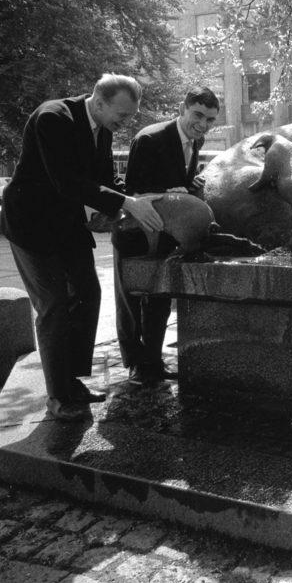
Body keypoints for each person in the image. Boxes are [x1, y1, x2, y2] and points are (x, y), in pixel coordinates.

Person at [1, 74, 163, 421]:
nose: (125, 123)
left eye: (130, 116)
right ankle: (58, 396)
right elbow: (67, 182)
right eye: (122, 114)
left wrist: (138, 197)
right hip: (30, 225)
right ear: (99, 102)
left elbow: (104, 179)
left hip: (66, 224)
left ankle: (71, 380)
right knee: (54, 306)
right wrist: (126, 203)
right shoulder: (52, 118)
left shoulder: (103, 127)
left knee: (89, 294)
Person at [112, 86, 220, 386]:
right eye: (198, 115)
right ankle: (136, 364)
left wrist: (190, 184)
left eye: (210, 119)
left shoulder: (195, 140)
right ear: (182, 109)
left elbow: (179, 183)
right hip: (138, 231)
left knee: (159, 297)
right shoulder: (149, 138)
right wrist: (168, 192)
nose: (203, 124)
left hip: (167, 231)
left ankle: (153, 361)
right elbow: (132, 192)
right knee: (131, 300)